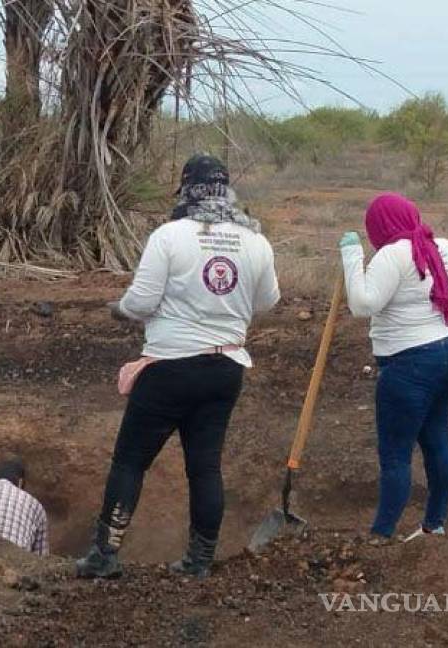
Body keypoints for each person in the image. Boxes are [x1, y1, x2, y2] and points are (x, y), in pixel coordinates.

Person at [76, 154, 281, 579]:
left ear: (187, 189)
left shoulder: (170, 236)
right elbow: (268, 302)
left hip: (170, 366)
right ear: (227, 191)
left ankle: (104, 555)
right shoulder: (255, 240)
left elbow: (142, 301)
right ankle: (199, 560)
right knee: (204, 465)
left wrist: (122, 309)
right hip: (225, 367)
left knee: (130, 461)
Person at [339, 193, 448, 543]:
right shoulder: (440, 246)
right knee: (437, 437)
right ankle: (433, 525)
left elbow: (363, 305)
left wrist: (351, 257)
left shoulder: (391, 256)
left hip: (411, 365)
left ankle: (380, 536)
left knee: (395, 454)